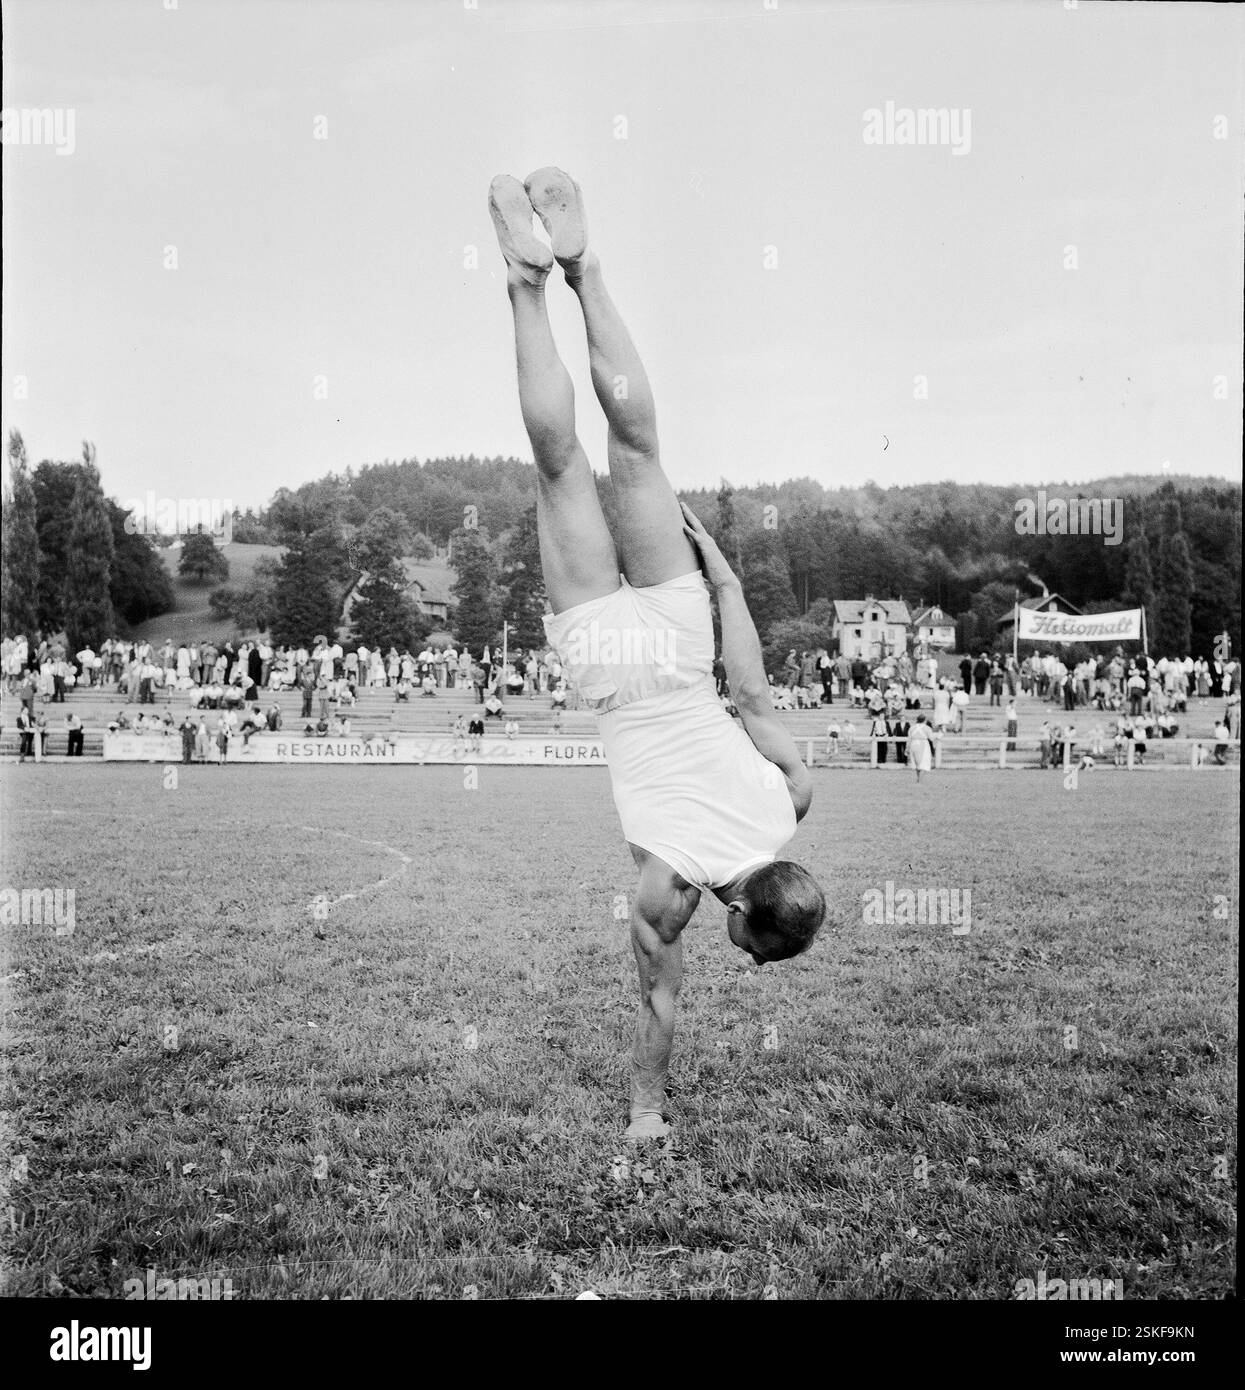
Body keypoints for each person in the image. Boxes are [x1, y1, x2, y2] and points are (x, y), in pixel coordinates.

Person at [491, 166, 823, 1142]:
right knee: (557, 466)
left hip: (684, 643)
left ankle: (582, 267)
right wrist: (646, 1113)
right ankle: (522, 281)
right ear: (745, 920)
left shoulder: (791, 799)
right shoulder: (668, 889)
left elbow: (753, 690)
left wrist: (722, 578)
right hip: (614, 670)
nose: (752, 962)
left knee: (635, 447)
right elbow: (658, 1005)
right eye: (759, 954)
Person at [907, 715, 932, 783]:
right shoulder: (927, 728)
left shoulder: (912, 728)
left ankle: (918, 778)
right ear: (924, 720)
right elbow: (931, 738)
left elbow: (909, 739)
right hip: (923, 745)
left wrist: (907, 749)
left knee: (916, 762)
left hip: (913, 744)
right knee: (924, 763)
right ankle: (919, 780)